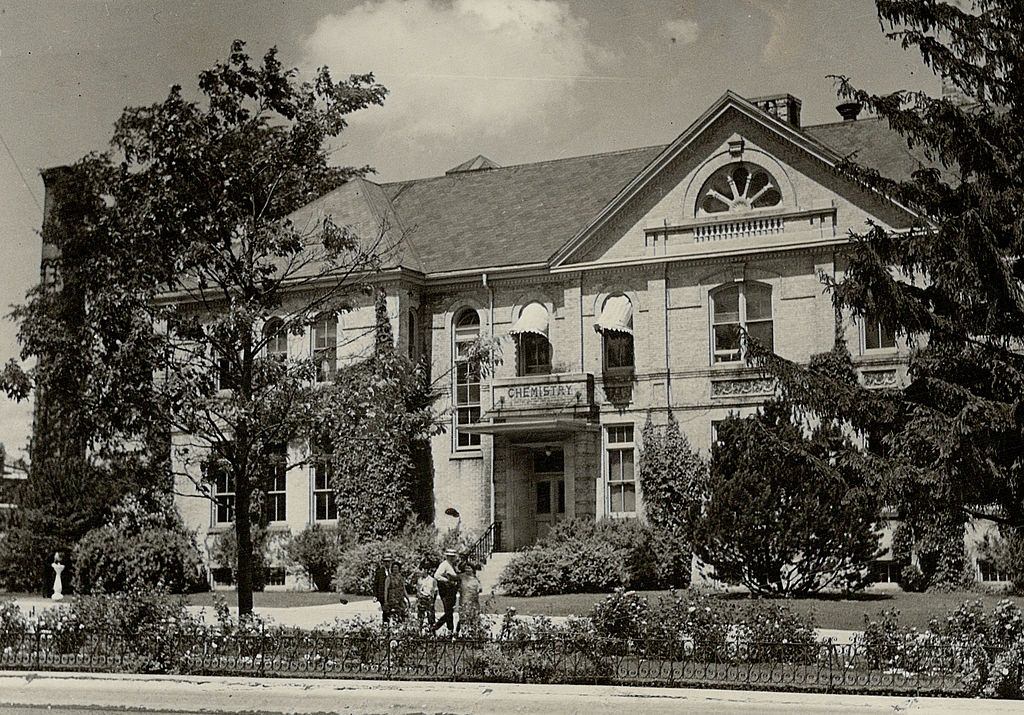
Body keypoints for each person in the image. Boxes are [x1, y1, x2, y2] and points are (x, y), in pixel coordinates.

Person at [372, 552, 408, 625]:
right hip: (383, 596)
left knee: (397, 612)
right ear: (383, 562)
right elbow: (375, 584)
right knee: (386, 612)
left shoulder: (393, 571)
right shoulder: (379, 572)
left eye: (388, 562)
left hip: (394, 596)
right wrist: (375, 595)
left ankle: (396, 626)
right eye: (385, 562)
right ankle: (386, 627)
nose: (387, 563)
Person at [432, 549, 460, 634]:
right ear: (447, 556)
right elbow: (436, 575)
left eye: (453, 556)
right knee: (448, 611)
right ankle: (437, 627)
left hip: (452, 591)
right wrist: (446, 580)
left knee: (450, 610)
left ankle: (449, 629)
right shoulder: (444, 565)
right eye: (450, 556)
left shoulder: (453, 565)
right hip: (446, 591)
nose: (451, 558)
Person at [455, 562, 481, 635]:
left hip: (474, 601)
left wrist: (478, 589)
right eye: (466, 568)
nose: (467, 569)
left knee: (474, 617)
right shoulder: (461, 576)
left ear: (473, 569)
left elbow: (480, 588)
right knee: (463, 618)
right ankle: (457, 633)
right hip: (464, 600)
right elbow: (452, 577)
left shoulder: (476, 578)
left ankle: (474, 634)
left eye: (469, 568)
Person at [415, 561, 438, 631]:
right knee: (420, 618)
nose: (421, 572)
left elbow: (435, 591)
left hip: (429, 599)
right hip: (422, 599)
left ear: (426, 570)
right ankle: (419, 632)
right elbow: (418, 590)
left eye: (422, 570)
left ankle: (432, 632)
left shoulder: (432, 580)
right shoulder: (419, 580)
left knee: (431, 617)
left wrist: (432, 601)